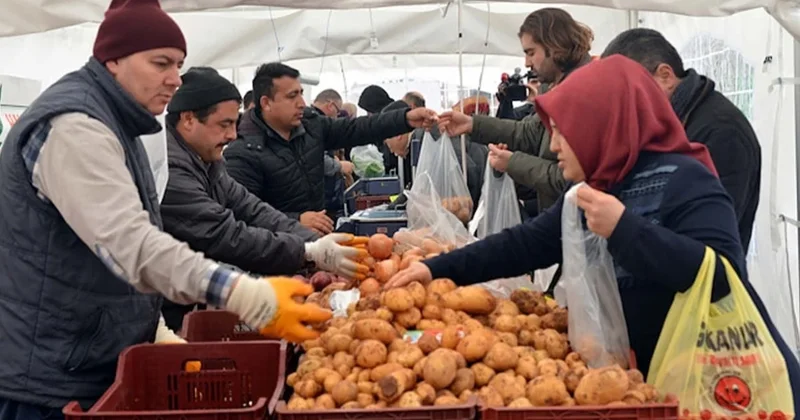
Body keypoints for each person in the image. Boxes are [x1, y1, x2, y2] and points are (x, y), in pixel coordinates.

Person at [385, 56, 800, 404]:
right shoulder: (601, 187)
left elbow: (724, 276)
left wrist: (625, 229)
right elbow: (525, 245)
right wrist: (437, 269)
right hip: (653, 384)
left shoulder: (686, 181)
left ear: (604, 126)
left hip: (722, 386)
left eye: (564, 132)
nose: (553, 147)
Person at [0, 1, 331, 417]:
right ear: (113, 59)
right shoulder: (75, 126)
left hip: (91, 354)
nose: (174, 79)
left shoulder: (125, 123)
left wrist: (151, 327)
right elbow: (129, 243)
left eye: (178, 64)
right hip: (50, 378)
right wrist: (243, 294)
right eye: (161, 63)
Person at [159, 68, 368, 331]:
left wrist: (316, 242)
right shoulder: (170, 169)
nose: (233, 135)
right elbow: (225, 234)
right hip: (160, 308)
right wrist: (307, 252)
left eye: (235, 123)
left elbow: (252, 208)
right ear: (189, 120)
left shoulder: (206, 160)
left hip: (187, 294)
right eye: (224, 124)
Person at [224, 63, 437, 235]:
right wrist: (295, 220)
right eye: (292, 96)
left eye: (301, 93)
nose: (301, 102)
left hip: (318, 245)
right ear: (266, 103)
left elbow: (358, 128)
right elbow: (241, 215)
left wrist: (405, 118)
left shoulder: (310, 125)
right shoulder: (243, 151)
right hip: (273, 258)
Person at [602, 28, 761, 250]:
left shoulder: (722, 131)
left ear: (665, 76)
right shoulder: (671, 123)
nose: (626, 103)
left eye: (629, 90)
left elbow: (711, 234)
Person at [440, 8, 594, 215]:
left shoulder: (585, 92)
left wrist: (513, 163)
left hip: (582, 223)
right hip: (562, 218)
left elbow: (569, 179)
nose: (527, 63)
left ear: (555, 45)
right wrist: (473, 124)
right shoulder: (558, 88)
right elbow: (531, 132)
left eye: (531, 53)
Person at [308, 89, 355, 219]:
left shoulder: (313, 121)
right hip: (321, 202)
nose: (337, 115)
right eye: (337, 111)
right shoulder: (314, 123)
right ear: (330, 105)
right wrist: (339, 165)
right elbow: (314, 158)